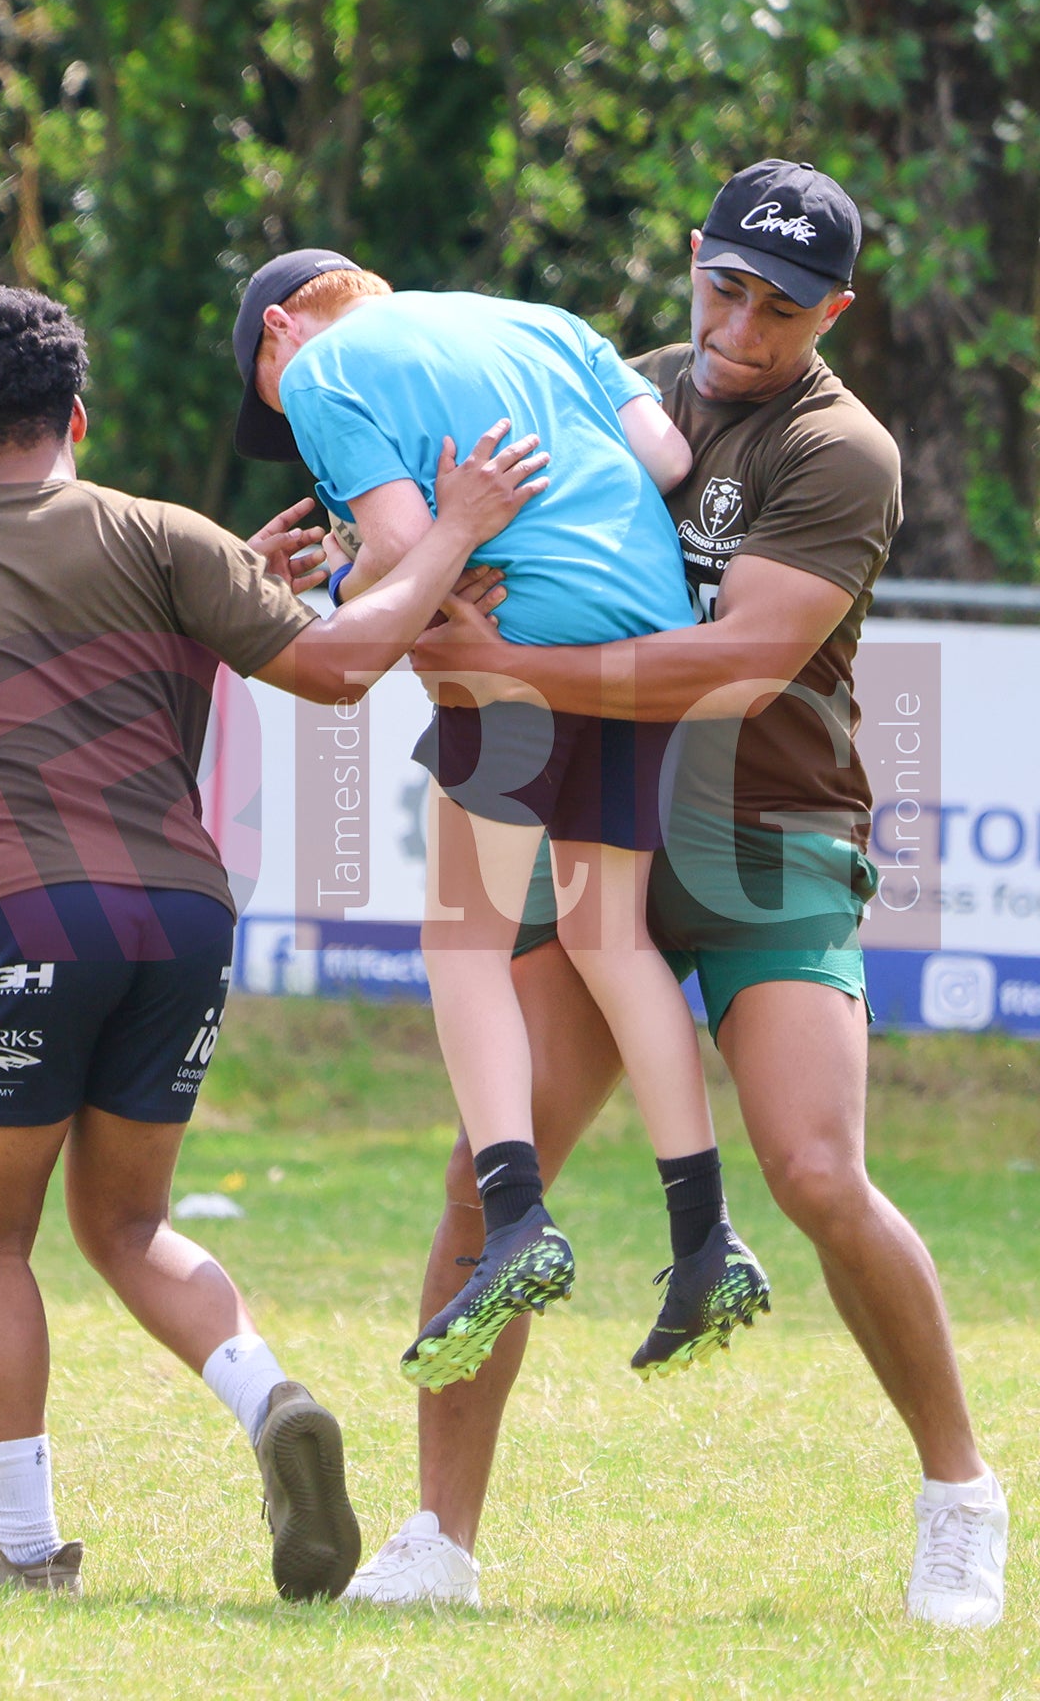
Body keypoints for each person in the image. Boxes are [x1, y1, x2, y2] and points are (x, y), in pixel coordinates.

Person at [344, 160, 1008, 1628]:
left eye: (782, 305)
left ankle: (961, 1493)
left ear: (835, 310)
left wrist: (508, 670)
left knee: (818, 1174)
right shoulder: (608, 385)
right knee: (484, 1172)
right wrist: (396, 583)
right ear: (693, 258)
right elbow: (447, 536)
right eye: (725, 283)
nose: (743, 323)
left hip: (766, 838)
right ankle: (440, 1538)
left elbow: (738, 664)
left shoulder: (845, 450)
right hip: (593, 826)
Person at [0, 282, 539, 1600]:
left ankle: (22, 1551)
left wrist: (244, 589)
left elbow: (55, 676)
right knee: (129, 1221)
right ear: (77, 413)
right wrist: (446, 529)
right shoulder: (170, 539)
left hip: (21, 909)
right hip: (178, 917)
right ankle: (272, 1398)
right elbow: (341, 664)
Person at [231, 253, 772, 1395]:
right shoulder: (545, 317)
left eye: (270, 398)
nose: (296, 427)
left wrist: (333, 593)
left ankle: (515, 1214)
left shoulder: (327, 372)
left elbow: (390, 540)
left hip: (518, 645)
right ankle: (704, 1240)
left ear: (284, 329)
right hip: (639, 640)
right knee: (609, 935)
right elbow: (666, 457)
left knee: (462, 940)